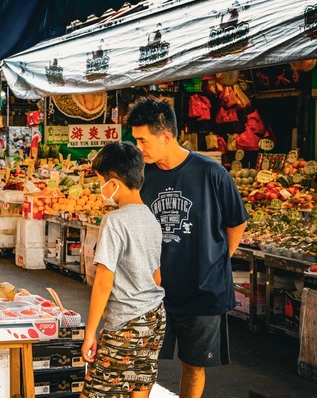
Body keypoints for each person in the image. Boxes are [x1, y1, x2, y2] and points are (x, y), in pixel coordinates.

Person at [128, 98, 249, 398]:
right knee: (142, 363)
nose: (139, 147)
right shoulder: (142, 177)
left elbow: (237, 222)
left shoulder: (212, 173)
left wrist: (219, 260)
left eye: (143, 140)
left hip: (203, 290)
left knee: (193, 366)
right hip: (154, 291)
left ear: (166, 136)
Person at [81, 141, 166, 398]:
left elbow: (104, 280)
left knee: (95, 393)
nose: (100, 189)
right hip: (154, 319)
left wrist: (90, 333)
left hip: (125, 324)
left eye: (100, 182)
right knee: (138, 388)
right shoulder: (151, 218)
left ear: (114, 182)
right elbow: (156, 275)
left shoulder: (114, 221)